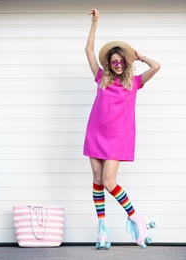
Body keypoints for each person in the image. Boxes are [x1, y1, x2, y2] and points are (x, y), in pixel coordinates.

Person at [83, 9, 160, 250]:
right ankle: (102, 229)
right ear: (109, 64)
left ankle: (135, 217)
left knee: (109, 180)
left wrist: (140, 56)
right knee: (96, 179)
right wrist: (95, 22)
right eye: (113, 62)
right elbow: (88, 51)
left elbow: (157, 66)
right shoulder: (100, 78)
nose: (117, 65)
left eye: (121, 61)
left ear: (126, 63)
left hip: (116, 138)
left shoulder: (134, 83)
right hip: (95, 132)